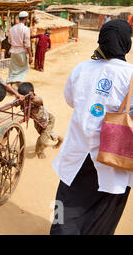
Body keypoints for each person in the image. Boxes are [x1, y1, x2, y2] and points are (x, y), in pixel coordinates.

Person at [50, 19, 132, 235]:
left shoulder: (81, 68)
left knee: (66, 201)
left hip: (78, 152)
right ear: (126, 42)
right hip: (113, 156)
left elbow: (70, 99)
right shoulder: (130, 74)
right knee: (104, 209)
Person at [17, 82, 63, 159]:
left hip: (48, 121)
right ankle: (60, 139)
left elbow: (39, 100)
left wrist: (29, 98)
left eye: (28, 96)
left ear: (33, 94)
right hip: (38, 122)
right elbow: (13, 104)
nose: (25, 98)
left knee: (42, 140)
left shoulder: (36, 100)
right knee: (46, 134)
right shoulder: (22, 101)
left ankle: (40, 151)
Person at [6, 11, 33, 89]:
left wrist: (14, 45)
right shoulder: (26, 29)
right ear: (26, 19)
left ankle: (11, 83)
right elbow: (27, 44)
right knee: (23, 68)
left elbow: (9, 41)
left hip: (13, 51)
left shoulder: (12, 29)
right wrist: (30, 56)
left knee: (14, 69)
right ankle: (16, 84)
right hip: (21, 52)